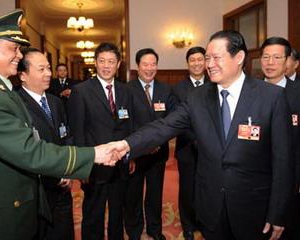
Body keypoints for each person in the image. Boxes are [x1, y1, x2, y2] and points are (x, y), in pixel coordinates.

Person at [0, 9, 120, 240]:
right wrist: (93, 155)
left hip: (15, 201)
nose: (19, 55)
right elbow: (28, 149)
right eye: (14, 48)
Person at [113, 30, 294, 240]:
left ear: (239, 58)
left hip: (254, 209)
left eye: (216, 57)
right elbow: (163, 126)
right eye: (208, 58)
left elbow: (283, 161)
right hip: (210, 207)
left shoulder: (271, 97)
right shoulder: (198, 98)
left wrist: (278, 212)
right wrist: (126, 145)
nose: (209, 64)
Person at [68, 42, 133, 240]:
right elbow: (77, 131)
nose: (106, 66)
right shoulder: (81, 91)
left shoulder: (125, 91)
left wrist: (130, 155)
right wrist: (82, 165)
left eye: (111, 61)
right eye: (102, 61)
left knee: (117, 212)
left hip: (120, 163)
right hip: (94, 166)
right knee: (93, 213)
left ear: (118, 64)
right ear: (95, 62)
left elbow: (127, 126)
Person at [16, 47, 75, 240]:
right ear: (23, 75)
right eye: (41, 69)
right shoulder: (16, 105)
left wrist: (68, 169)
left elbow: (65, 136)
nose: (49, 73)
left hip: (63, 185)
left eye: (49, 68)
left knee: (64, 232)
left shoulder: (55, 102)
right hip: (37, 190)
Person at [124, 48, 175, 240]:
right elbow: (125, 123)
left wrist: (159, 141)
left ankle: (155, 230)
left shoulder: (165, 89)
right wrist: (136, 149)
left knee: (155, 195)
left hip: (158, 153)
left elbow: (171, 119)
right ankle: (134, 231)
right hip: (135, 154)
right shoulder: (127, 90)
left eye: (153, 64)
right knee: (133, 195)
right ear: (137, 67)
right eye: (145, 64)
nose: (150, 68)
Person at [260, 37, 300, 240]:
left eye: (276, 57)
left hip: (292, 180)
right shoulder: (251, 92)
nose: (270, 62)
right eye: (265, 57)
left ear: (288, 61)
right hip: (256, 180)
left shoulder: (297, 93)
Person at [173, 46, 209, 240]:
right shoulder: (178, 88)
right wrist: (196, 138)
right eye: (192, 60)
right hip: (187, 146)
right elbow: (178, 120)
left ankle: (204, 221)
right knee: (187, 188)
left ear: (205, 62)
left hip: (212, 149)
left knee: (207, 186)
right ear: (187, 64)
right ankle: (188, 225)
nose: (196, 63)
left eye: (200, 59)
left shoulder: (215, 83)